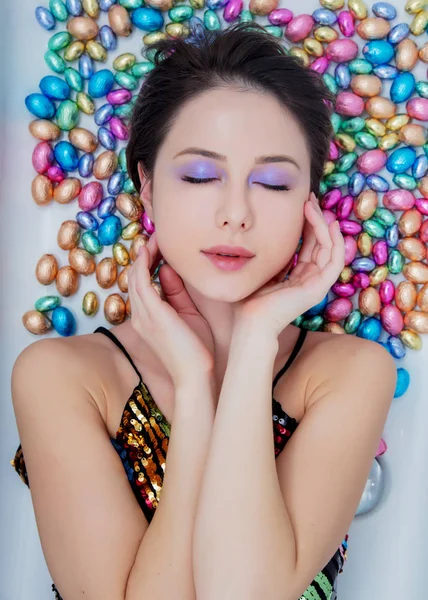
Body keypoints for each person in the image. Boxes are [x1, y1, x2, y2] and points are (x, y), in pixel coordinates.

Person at [11, 22, 396, 600]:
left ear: (308, 207)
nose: (235, 213)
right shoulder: (62, 377)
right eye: (199, 175)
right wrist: (193, 392)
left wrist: (255, 340)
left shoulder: (350, 374)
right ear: (146, 185)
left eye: (271, 183)